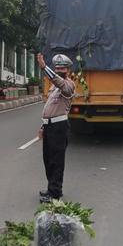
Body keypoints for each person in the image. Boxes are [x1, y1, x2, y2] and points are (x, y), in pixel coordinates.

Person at [37, 52, 76, 203]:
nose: (59, 71)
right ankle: (51, 188)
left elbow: (59, 82)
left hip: (59, 127)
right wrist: (42, 126)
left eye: (63, 69)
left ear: (68, 71)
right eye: (57, 68)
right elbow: (49, 108)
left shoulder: (69, 85)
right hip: (49, 127)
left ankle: (55, 193)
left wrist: (44, 67)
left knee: (56, 160)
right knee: (48, 160)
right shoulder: (53, 88)